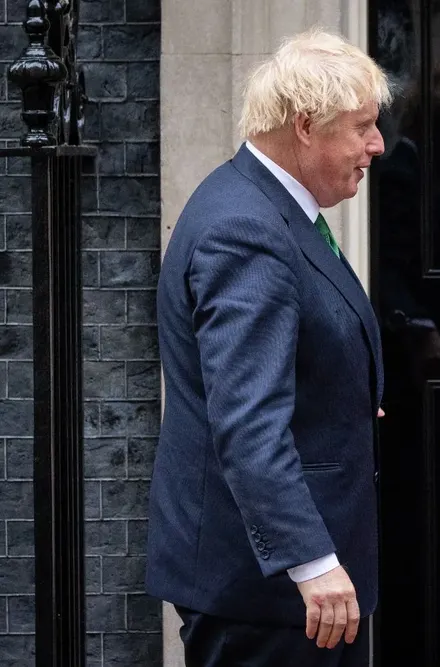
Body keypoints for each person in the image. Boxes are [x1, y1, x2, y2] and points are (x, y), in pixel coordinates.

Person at [146, 28, 390, 667]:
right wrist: (309, 561)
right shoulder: (245, 230)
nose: (377, 145)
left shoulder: (271, 208)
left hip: (284, 587)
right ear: (307, 125)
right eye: (362, 126)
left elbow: (288, 353)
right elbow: (247, 419)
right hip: (272, 592)